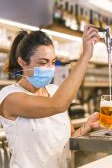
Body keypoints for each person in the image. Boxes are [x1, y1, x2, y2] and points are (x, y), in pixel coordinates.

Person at [0, 25, 101, 167]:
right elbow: (57, 105)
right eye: (43, 62)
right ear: (22, 62)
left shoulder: (54, 91)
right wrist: (85, 56)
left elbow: (67, 141)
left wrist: (86, 126)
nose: (50, 68)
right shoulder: (9, 97)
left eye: (52, 62)